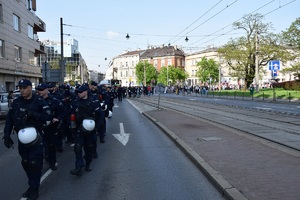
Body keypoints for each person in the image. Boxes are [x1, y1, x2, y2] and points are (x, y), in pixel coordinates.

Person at [3, 79, 52, 200]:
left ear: (30, 88)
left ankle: (34, 188)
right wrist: (7, 135)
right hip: (22, 139)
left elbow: (48, 116)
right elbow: (10, 119)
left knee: (34, 164)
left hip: (36, 139)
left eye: (24, 88)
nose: (22, 90)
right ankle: (32, 185)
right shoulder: (17, 102)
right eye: (20, 88)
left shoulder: (39, 101)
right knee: (25, 163)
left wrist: (34, 114)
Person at [69, 84, 102, 176]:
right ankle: (78, 167)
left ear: (86, 92)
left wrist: (97, 128)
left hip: (90, 130)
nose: (79, 94)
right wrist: (72, 125)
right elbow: (70, 115)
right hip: (79, 129)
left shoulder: (93, 101)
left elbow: (100, 115)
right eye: (78, 92)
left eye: (81, 92)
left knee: (89, 149)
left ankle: (88, 164)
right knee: (78, 147)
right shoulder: (75, 102)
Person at [36, 83, 64, 171]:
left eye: (41, 90)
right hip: (40, 127)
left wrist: (57, 118)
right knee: (39, 147)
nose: (39, 92)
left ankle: (52, 163)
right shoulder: (36, 101)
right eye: (38, 90)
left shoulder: (54, 100)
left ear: (46, 90)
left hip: (51, 127)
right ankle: (40, 164)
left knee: (51, 146)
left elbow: (62, 111)